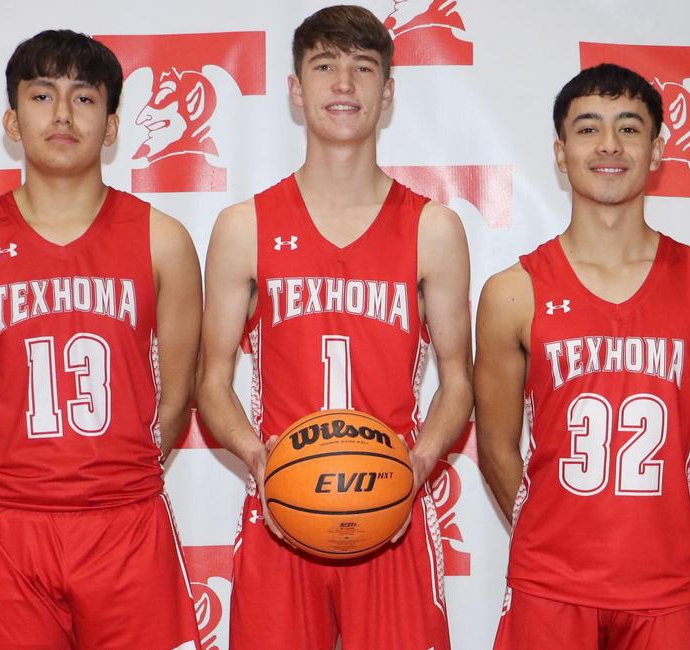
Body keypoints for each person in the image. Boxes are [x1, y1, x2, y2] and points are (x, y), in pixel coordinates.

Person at [194, 5, 473, 648]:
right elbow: (211, 380)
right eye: (324, 66)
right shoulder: (245, 227)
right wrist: (257, 459)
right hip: (281, 512)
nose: (343, 84)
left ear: (388, 92)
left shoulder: (433, 229)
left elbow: (458, 380)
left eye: (363, 68)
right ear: (296, 90)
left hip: (391, 514)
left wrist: (418, 466)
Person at [0, 29, 203, 649]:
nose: (60, 113)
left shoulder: (163, 240)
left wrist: (112, 480)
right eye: (41, 94)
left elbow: (178, 398)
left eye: (83, 98)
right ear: (12, 117)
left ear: (110, 127)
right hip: (9, 523)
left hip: (127, 522)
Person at [475, 62, 690, 649]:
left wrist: (649, 535)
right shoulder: (512, 292)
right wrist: (558, 539)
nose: (609, 145)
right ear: (560, 150)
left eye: (629, 127)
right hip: (549, 586)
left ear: (658, 149)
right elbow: (495, 447)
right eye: (588, 128)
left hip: (660, 588)